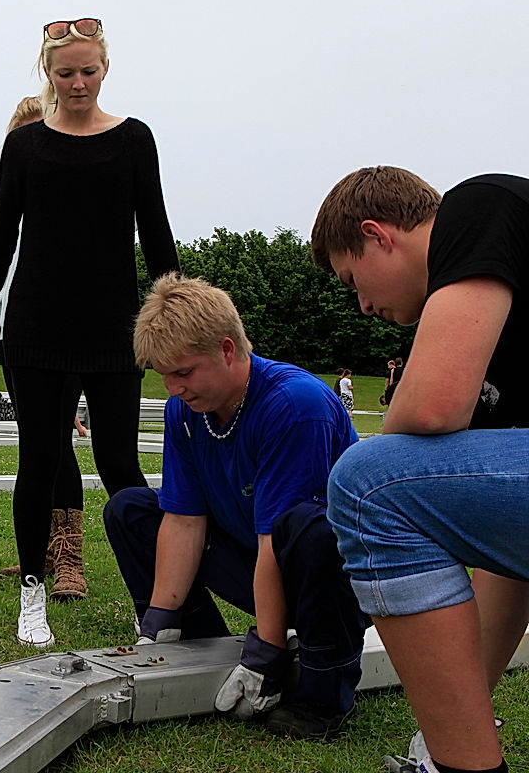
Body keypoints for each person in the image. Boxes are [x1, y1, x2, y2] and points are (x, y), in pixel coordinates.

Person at [0, 18, 181, 647]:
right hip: (38, 325)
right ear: (47, 75)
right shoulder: (25, 147)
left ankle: (152, 600)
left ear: (105, 69)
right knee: (41, 459)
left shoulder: (135, 140)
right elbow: (2, 234)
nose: (77, 83)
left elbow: (156, 230)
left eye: (87, 70)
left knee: (120, 465)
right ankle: (33, 592)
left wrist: (179, 309)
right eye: (64, 73)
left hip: (114, 327)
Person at [311, 166, 529, 773]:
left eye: (353, 279)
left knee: (366, 482)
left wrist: (410, 384)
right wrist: (452, 721)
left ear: (378, 234)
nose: (362, 305)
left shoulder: (477, 205)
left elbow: (432, 404)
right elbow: (510, 570)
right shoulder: (505, 337)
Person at [103, 273, 364, 740]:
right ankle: (195, 643)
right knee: (132, 511)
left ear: (227, 350)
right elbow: (183, 519)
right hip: (260, 558)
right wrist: (160, 621)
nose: (173, 388)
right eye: (164, 376)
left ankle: (325, 693)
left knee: (309, 529)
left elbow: (277, 537)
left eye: (183, 373)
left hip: (330, 580)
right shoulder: (185, 411)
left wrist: (267, 651)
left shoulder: (293, 404)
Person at [0, 96, 91, 602]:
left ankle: (70, 559)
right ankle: (42, 550)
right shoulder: (17, 189)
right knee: (35, 443)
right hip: (17, 329)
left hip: (67, 330)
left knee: (57, 443)